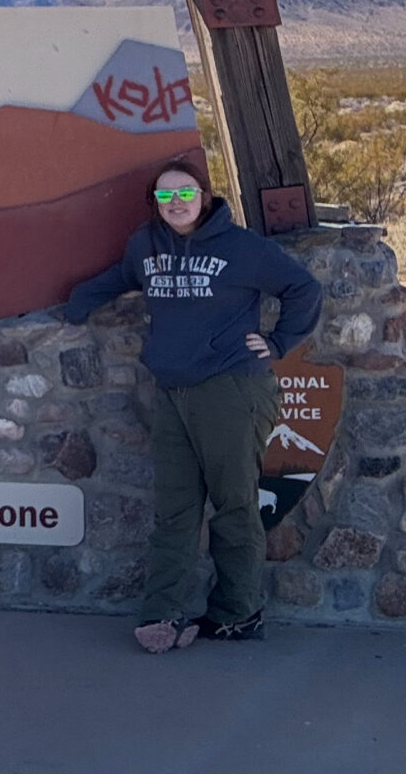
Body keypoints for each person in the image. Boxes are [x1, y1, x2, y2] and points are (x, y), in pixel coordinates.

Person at [64, 162, 325, 654]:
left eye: (185, 192)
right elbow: (122, 276)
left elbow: (304, 288)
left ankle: (237, 613)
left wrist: (279, 342)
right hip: (171, 391)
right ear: (156, 205)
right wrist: (76, 302)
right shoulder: (146, 245)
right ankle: (161, 613)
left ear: (204, 196)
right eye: (165, 197)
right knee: (175, 508)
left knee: (234, 505)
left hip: (230, 389)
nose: (176, 202)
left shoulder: (242, 247)